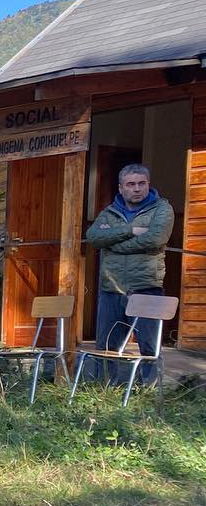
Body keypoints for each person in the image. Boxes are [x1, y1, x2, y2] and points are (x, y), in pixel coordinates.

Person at [86, 163, 174, 384]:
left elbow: (155, 239)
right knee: (106, 345)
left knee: (148, 346)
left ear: (148, 184)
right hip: (111, 288)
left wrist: (114, 243)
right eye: (131, 184)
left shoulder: (162, 209)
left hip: (146, 287)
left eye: (141, 183)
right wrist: (130, 230)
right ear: (121, 187)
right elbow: (94, 237)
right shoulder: (109, 212)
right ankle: (104, 390)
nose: (137, 189)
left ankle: (149, 391)